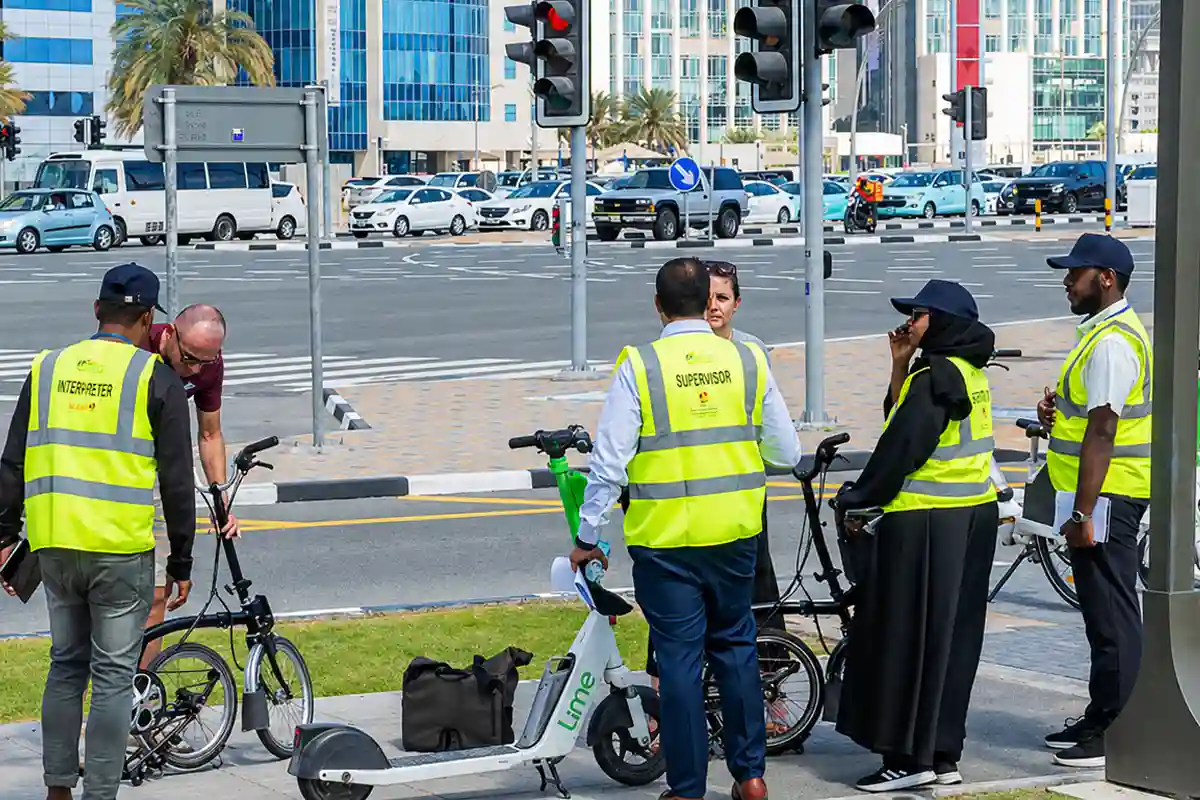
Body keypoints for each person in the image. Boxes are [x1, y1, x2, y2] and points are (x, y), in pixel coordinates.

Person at [565, 257, 802, 800]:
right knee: (737, 650)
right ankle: (751, 776)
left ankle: (688, 787)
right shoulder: (747, 358)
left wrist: (587, 536)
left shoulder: (641, 365)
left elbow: (609, 463)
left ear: (658, 305)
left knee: (678, 665)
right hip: (735, 534)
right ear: (707, 304)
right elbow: (786, 452)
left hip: (666, 542)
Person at [0, 263, 197, 800]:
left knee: (65, 668)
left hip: (55, 548)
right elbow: (178, 480)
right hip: (119, 551)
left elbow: (12, 462)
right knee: (112, 679)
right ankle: (101, 793)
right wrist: (181, 560)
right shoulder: (155, 378)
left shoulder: (46, 367)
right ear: (149, 318)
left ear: (96, 311)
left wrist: (2, 535)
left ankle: (58, 790)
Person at [832, 279, 999, 792]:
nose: (911, 323)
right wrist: (900, 362)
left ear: (944, 322)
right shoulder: (963, 370)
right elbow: (901, 421)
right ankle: (942, 754)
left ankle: (908, 758)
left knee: (907, 639)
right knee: (950, 642)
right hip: (971, 516)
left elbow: (899, 449)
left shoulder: (935, 376)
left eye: (920, 316)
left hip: (928, 522)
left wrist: (857, 498)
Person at [641, 261, 788, 705]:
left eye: (723, 299)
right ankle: (664, 707)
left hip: (737, 505)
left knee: (754, 601)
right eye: (707, 299)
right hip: (679, 509)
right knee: (676, 620)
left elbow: (775, 434)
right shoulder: (664, 359)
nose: (714, 308)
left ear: (737, 304)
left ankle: (772, 695)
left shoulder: (750, 353)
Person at [1037, 233, 1149, 769]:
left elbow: (1104, 431)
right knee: (1100, 614)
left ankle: (1119, 729)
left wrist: (1083, 512)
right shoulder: (1102, 333)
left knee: (1112, 614)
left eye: (1074, 272)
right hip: (1099, 493)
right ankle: (1103, 711)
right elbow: (1088, 418)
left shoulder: (1112, 342)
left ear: (1104, 278)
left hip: (1109, 495)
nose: (1066, 280)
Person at [140, 303, 237, 669]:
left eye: (204, 362)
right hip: (120, 474)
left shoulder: (209, 365)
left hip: (165, 478)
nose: (194, 369)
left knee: (157, 598)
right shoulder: (140, 345)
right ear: (169, 335)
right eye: (189, 358)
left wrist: (220, 496)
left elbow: (209, 433)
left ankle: (142, 694)